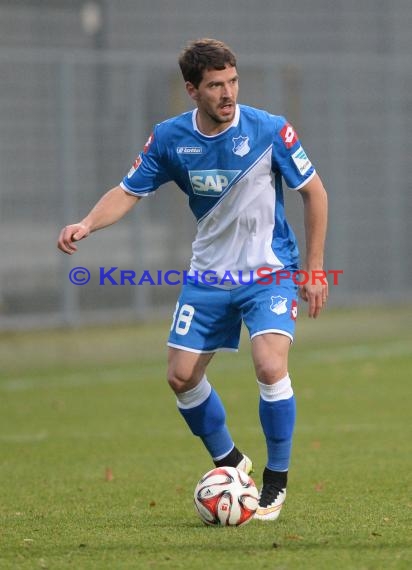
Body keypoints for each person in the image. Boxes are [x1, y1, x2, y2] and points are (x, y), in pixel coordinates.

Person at [57, 38, 328, 521]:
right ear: (192, 90)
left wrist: (314, 269)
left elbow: (315, 193)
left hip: (269, 273)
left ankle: (274, 482)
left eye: (232, 82)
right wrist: (87, 224)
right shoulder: (169, 138)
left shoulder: (270, 130)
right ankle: (229, 462)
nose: (228, 93)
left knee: (269, 366)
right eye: (215, 85)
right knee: (180, 377)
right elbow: (127, 191)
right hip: (208, 276)